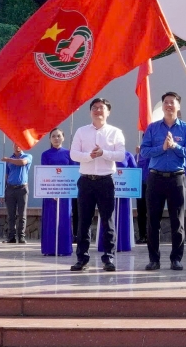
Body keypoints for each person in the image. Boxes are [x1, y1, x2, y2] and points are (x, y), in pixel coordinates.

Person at [139, 91, 186, 270]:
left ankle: (176, 259)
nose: (169, 105)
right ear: (162, 106)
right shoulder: (153, 128)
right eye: (166, 102)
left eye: (173, 102)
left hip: (176, 179)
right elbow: (144, 152)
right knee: (152, 220)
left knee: (177, 221)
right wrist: (162, 148)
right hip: (155, 178)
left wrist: (175, 146)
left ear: (178, 106)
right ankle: (154, 259)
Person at [70, 98, 125, 271]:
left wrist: (103, 153)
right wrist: (90, 156)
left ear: (108, 112)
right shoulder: (81, 131)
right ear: (90, 112)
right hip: (86, 180)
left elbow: (121, 155)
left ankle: (108, 258)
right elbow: (73, 154)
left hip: (105, 180)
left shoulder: (116, 132)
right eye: (94, 108)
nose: (98, 111)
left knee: (108, 221)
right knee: (84, 221)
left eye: (101, 108)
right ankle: (82, 258)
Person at [40, 128, 76, 257]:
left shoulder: (69, 153)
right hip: (50, 193)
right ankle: (49, 248)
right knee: (50, 219)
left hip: (65, 193)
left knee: (64, 219)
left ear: (63, 138)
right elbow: (43, 174)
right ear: (50, 139)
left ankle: (64, 248)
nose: (56, 138)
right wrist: (51, 191)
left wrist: (66, 189)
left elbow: (73, 173)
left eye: (59, 136)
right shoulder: (45, 154)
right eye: (53, 136)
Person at [3, 145, 32, 243]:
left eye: (20, 144)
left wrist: (8, 159)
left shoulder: (27, 156)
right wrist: (3, 191)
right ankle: (11, 237)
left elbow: (22, 163)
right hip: (10, 188)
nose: (17, 146)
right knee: (11, 215)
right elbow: (6, 175)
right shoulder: (9, 160)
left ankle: (21, 236)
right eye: (15, 144)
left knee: (22, 214)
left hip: (22, 189)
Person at [135, 145, 150, 244]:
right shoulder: (136, 156)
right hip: (139, 186)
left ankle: (151, 235)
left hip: (150, 185)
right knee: (141, 212)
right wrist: (137, 154)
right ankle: (142, 235)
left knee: (152, 211)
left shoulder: (151, 155)